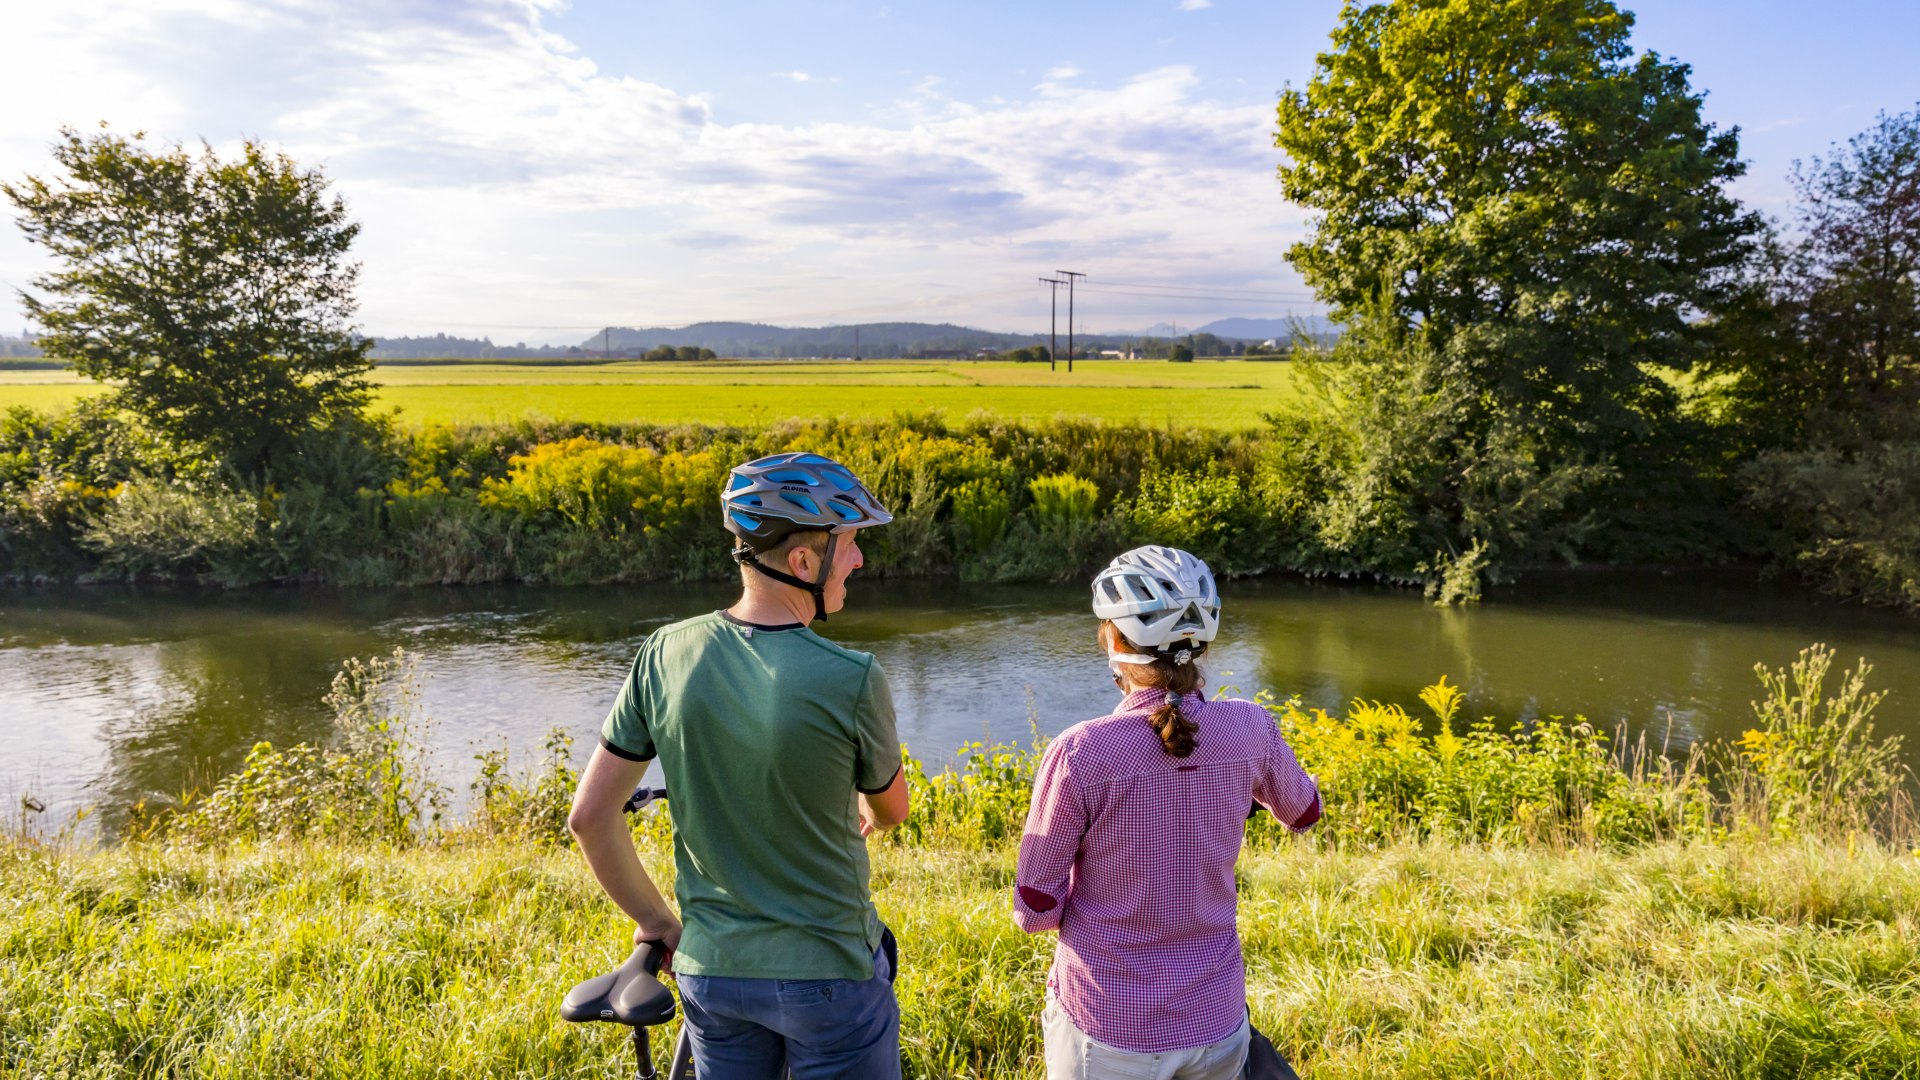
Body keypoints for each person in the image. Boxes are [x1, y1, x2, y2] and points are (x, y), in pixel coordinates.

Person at [568, 451, 912, 1080]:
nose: (860, 560)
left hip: (712, 974)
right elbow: (892, 811)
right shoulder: (853, 677)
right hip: (829, 975)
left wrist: (659, 924)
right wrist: (868, 801)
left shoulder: (664, 652)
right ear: (805, 562)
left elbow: (590, 818)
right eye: (852, 544)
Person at [1013, 545, 1322, 1080]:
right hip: (1216, 1021)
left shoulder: (1079, 752)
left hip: (1108, 1027)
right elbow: (1305, 813)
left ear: (1112, 641)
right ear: (1202, 642)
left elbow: (1035, 906)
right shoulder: (1251, 728)